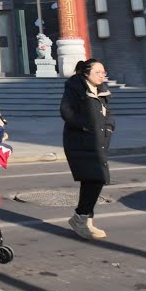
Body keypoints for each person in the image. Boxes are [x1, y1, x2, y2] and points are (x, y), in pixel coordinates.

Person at [60, 59, 115, 241]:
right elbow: (66, 112)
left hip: (98, 141)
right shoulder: (75, 89)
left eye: (103, 72)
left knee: (94, 179)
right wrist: (87, 127)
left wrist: (108, 128)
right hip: (80, 141)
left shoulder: (102, 91)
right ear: (86, 73)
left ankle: (83, 219)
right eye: (98, 72)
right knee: (95, 177)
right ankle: (81, 219)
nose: (102, 75)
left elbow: (108, 114)